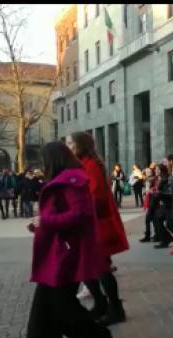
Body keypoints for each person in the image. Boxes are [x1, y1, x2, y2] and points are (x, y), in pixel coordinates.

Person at [25, 142, 113, 338]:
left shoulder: (72, 181)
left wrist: (45, 222)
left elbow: (80, 215)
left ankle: (97, 334)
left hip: (65, 256)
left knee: (61, 309)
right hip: (57, 255)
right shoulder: (67, 180)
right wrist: (40, 223)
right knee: (47, 310)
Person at [67, 132, 130, 326]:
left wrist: (76, 212)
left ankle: (115, 308)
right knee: (88, 268)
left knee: (101, 269)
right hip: (89, 224)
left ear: (82, 145)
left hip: (95, 226)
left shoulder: (91, 165)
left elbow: (96, 197)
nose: (68, 146)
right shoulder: (82, 164)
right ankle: (102, 304)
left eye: (71, 143)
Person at [151, 164, 173, 247]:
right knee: (158, 219)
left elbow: (169, 192)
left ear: (162, 170)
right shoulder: (161, 178)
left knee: (170, 224)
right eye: (156, 169)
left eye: (157, 169)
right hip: (163, 203)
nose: (156, 171)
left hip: (168, 204)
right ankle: (166, 239)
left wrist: (158, 194)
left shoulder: (167, 178)